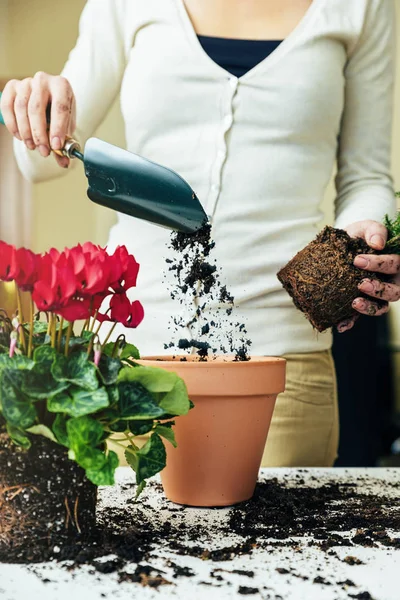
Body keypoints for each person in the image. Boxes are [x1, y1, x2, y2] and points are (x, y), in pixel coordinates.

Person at [1, 0, 399, 467]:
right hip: (133, 361)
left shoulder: (359, 8)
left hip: (281, 367)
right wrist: (35, 104)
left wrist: (364, 233)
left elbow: (366, 177)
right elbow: (39, 161)